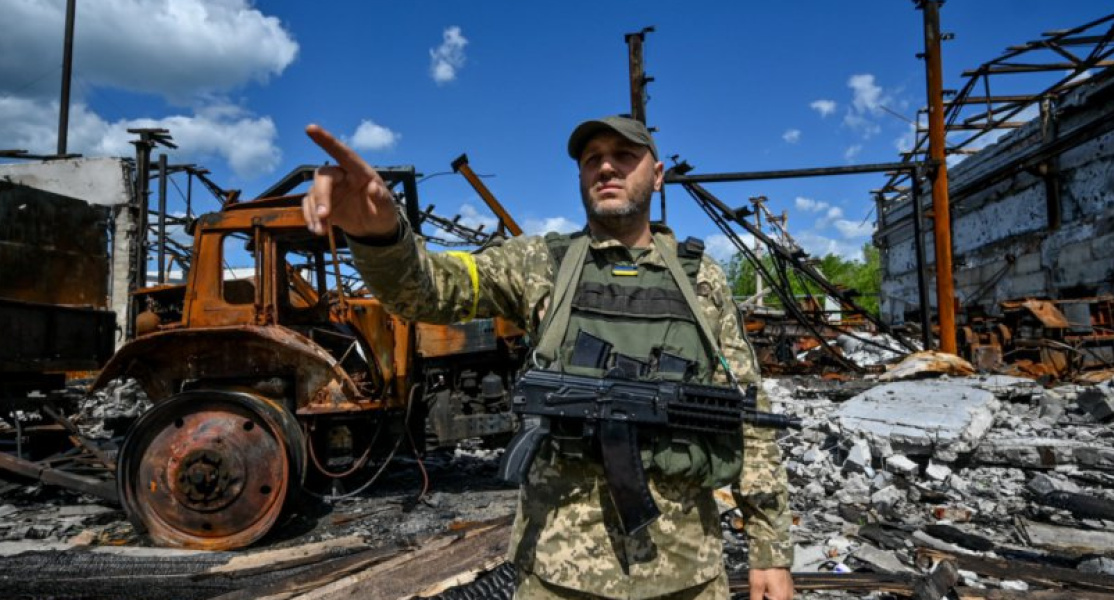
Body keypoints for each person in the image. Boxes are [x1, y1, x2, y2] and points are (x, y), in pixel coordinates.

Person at [301, 116, 794, 600]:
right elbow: (427, 292)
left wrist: (769, 550)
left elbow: (747, 411)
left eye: (624, 156)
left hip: (686, 573)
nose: (606, 168)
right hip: (557, 572)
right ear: (580, 176)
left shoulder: (702, 278)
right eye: (592, 159)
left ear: (657, 174)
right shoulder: (538, 263)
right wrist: (380, 235)